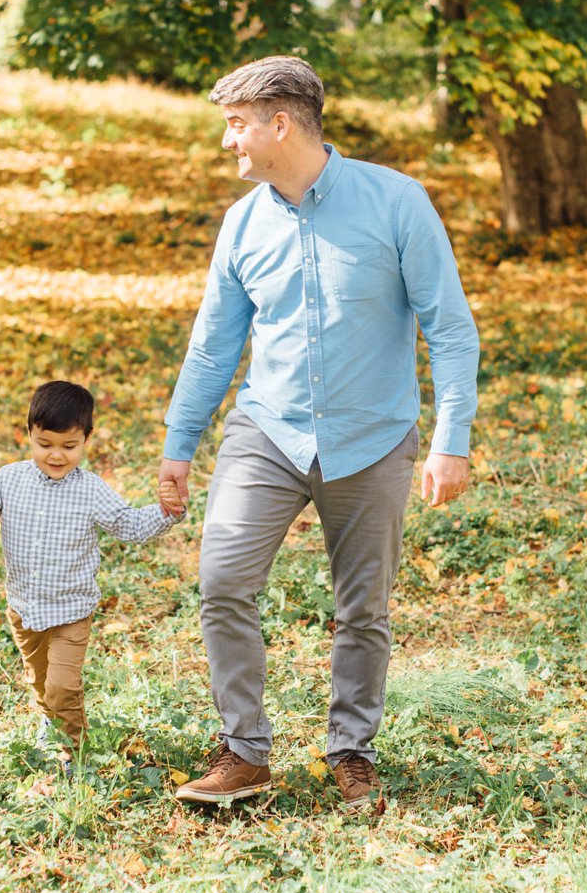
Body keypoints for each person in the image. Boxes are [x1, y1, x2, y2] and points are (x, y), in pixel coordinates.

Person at [158, 56, 480, 808]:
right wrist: (180, 444)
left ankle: (351, 749)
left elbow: (451, 329)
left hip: (374, 438)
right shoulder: (243, 223)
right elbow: (213, 345)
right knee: (223, 582)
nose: (228, 142)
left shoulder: (397, 202)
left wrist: (451, 436)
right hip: (267, 431)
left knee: (362, 606)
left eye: (236, 126)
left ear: (280, 124)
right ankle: (244, 750)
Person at [0, 381, 182, 768]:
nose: (55, 455)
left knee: (62, 685)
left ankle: (76, 750)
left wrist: (167, 511)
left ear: (86, 439)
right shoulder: (9, 479)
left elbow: (130, 526)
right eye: (44, 443)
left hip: (71, 611)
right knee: (39, 681)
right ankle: (48, 721)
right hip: (24, 609)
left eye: (69, 446)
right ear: (29, 435)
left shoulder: (90, 491)